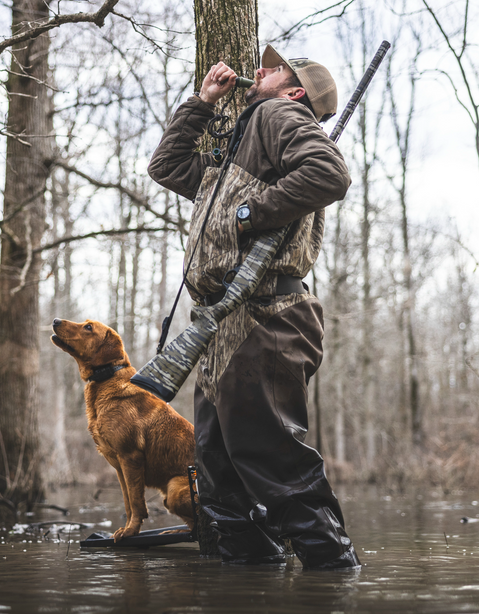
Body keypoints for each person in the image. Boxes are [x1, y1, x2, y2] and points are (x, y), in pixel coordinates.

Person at [148, 44, 361, 570]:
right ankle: (251, 582)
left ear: (293, 91)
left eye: (273, 68)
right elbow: (167, 166)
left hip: (266, 317)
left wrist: (248, 213)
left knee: (271, 458)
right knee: (218, 476)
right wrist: (201, 102)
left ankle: (336, 578)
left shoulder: (276, 113)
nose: (258, 69)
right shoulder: (242, 147)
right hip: (224, 324)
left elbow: (330, 175)